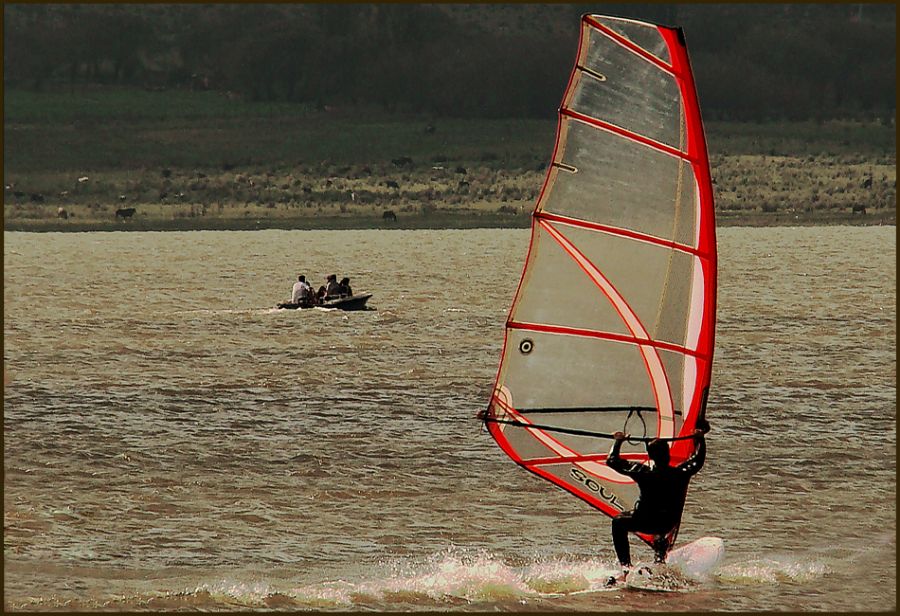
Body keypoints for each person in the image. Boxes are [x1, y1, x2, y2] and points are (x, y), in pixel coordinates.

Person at [606, 417, 710, 577]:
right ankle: (660, 562)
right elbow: (697, 460)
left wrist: (618, 441)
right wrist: (700, 439)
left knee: (618, 522)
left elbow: (612, 461)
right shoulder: (680, 473)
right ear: (668, 454)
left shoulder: (642, 472)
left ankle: (626, 567)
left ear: (650, 456)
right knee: (662, 528)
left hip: (644, 521)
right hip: (667, 524)